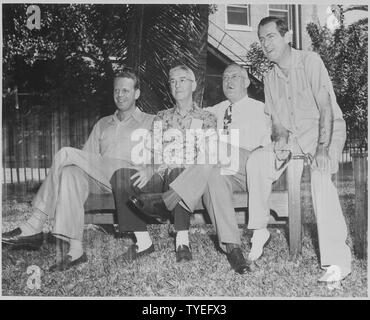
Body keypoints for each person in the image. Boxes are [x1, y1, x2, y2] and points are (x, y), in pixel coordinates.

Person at [2, 71, 155, 272]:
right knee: (70, 173)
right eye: (116, 90)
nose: (120, 95)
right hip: (101, 178)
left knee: (66, 153)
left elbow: (164, 156)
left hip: (127, 178)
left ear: (137, 93)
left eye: (125, 90)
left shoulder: (150, 121)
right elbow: (86, 158)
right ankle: (76, 250)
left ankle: (35, 222)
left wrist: (150, 168)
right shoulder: (103, 123)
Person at [131, 63, 271, 274]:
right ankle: (233, 249)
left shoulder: (261, 109)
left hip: (251, 166)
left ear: (247, 81)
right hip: (223, 169)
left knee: (213, 144)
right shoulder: (215, 110)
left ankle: (169, 198)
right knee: (213, 175)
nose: (229, 81)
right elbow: (185, 113)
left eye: (235, 76)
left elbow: (270, 147)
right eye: (225, 78)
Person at [247, 16, 351, 281]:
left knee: (319, 174)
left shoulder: (310, 61)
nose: (265, 43)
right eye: (261, 39)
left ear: (287, 36)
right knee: (257, 160)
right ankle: (259, 229)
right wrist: (280, 142)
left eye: (270, 36)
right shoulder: (269, 78)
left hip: (325, 131)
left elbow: (326, 108)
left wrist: (323, 149)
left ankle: (338, 261)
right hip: (294, 139)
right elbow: (279, 125)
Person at [110, 65, 218, 263]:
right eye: (172, 81)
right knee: (121, 177)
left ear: (194, 85)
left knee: (177, 170)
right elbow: (152, 151)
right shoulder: (161, 117)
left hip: (185, 178)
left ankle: (182, 240)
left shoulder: (207, 118)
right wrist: (150, 167)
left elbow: (206, 156)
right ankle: (143, 242)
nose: (176, 84)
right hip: (159, 176)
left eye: (182, 80)